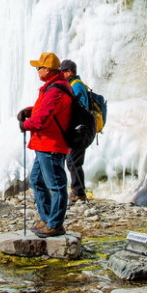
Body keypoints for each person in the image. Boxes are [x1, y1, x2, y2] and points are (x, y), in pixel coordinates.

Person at [18, 52, 73, 238]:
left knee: (56, 185)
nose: (37, 71)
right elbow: (45, 110)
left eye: (38, 67)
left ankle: (55, 224)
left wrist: (25, 124)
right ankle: (47, 219)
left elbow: (42, 119)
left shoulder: (56, 90)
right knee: (37, 181)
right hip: (44, 144)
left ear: (47, 69)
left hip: (51, 144)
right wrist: (29, 111)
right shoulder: (52, 88)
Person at [60, 59, 90, 202]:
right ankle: (77, 191)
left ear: (69, 72)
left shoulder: (76, 86)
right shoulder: (75, 84)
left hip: (80, 129)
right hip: (80, 128)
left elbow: (80, 107)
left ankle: (79, 192)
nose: (60, 74)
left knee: (73, 160)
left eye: (62, 71)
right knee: (73, 160)